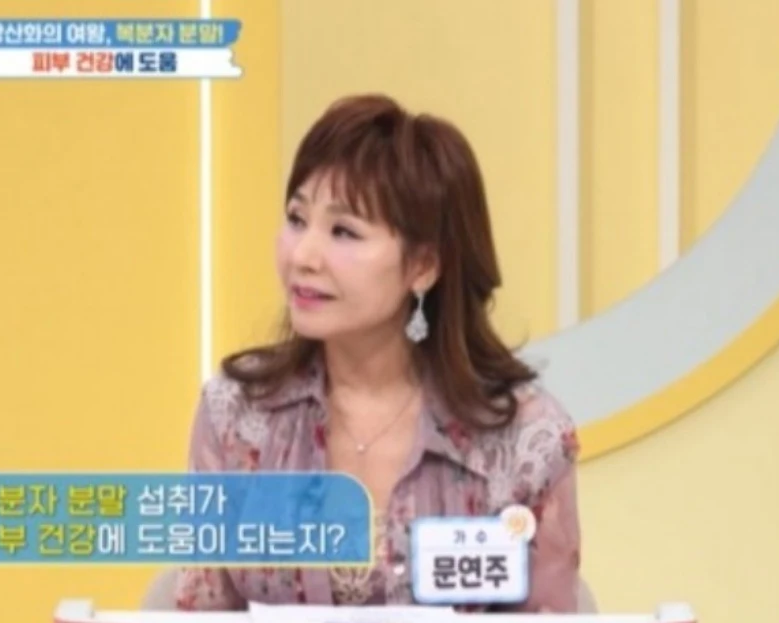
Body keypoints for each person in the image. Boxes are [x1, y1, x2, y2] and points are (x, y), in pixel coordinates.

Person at [170, 94, 581, 612]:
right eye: (297, 219)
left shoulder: (523, 440)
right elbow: (201, 611)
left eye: (343, 231)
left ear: (423, 265)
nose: (303, 256)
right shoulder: (236, 415)